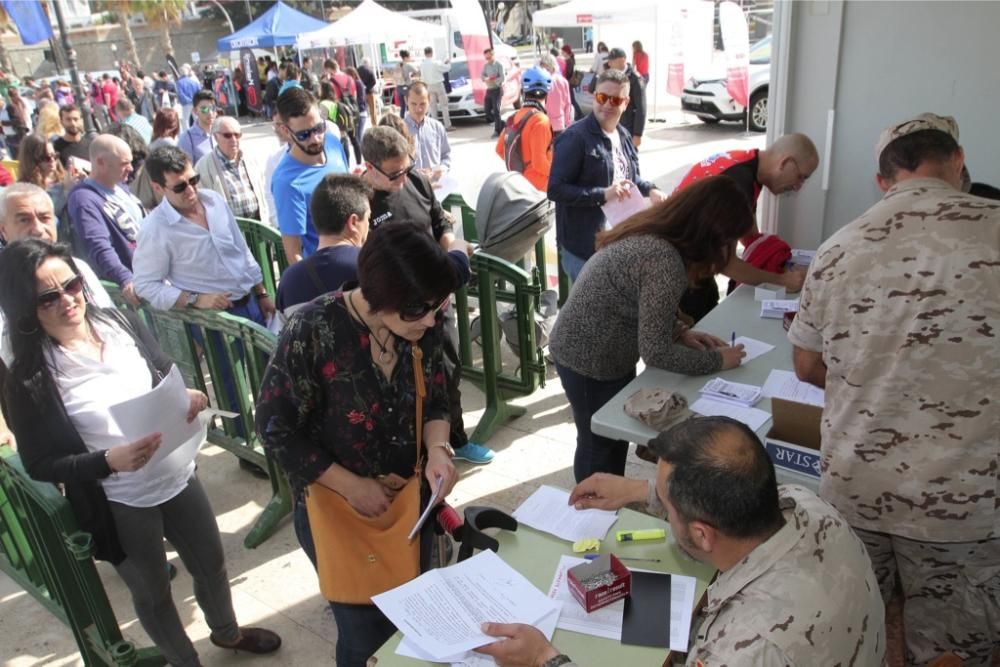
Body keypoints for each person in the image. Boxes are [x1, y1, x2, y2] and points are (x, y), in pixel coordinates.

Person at [0, 239, 283, 667]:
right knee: (153, 593)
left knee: (211, 563)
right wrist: (106, 462)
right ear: (25, 307)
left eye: (72, 284)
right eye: (48, 297)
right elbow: (39, 462)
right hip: (119, 501)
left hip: (176, 472)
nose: (68, 300)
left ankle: (227, 633)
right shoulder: (29, 377)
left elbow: (161, 364)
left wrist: (184, 393)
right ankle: (184, 661)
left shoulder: (119, 321)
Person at [788, 113, 1000, 666]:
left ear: (883, 179)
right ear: (957, 162)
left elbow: (806, 364)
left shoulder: (837, 249)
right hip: (964, 500)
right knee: (955, 648)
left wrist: (875, 381)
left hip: (857, 485)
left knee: (864, 627)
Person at [476, 416, 886, 666]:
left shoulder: (745, 648)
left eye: (668, 508)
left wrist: (543, 659)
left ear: (702, 534)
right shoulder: (806, 504)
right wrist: (639, 490)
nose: (662, 509)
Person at [256, 222, 460, 667]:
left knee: (414, 613)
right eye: (418, 309)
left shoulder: (420, 325)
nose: (430, 319)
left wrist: (438, 450)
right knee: (363, 633)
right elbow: (274, 427)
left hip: (409, 505)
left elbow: (439, 397)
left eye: (437, 306)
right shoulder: (313, 329)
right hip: (336, 512)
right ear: (379, 295)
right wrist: (350, 485)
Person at [549, 176, 751, 481]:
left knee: (610, 440)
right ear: (711, 235)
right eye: (728, 241)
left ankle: (606, 500)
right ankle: (593, 512)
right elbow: (655, 352)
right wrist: (718, 361)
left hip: (597, 350)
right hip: (589, 360)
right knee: (599, 443)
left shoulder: (660, 235)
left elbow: (636, 301)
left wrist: (679, 330)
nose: (729, 251)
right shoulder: (665, 261)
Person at [361, 126, 493, 465]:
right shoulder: (364, 204)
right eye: (394, 174)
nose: (403, 179)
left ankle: (457, 439)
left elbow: (440, 223)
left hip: (438, 301)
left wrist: (447, 258)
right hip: (398, 316)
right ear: (370, 167)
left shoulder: (417, 180)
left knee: (448, 372)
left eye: (407, 168)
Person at [672, 134, 817, 321]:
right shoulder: (738, 182)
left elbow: (749, 237)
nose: (798, 186)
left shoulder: (747, 165)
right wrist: (781, 280)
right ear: (786, 163)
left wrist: (782, 263)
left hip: (694, 262)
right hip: (675, 269)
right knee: (702, 332)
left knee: (712, 312)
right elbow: (726, 263)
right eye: (801, 177)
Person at [548, 68, 667, 281]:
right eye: (602, 97)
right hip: (585, 250)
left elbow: (630, 179)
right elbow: (555, 189)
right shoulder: (575, 137)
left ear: (626, 102)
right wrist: (603, 194)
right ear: (594, 96)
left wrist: (652, 190)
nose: (607, 105)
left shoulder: (623, 135)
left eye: (615, 100)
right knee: (590, 313)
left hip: (619, 241)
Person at [275, 174, 373, 319]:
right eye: (368, 218)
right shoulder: (373, 266)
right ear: (353, 222)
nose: (369, 226)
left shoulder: (288, 281)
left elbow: (283, 337)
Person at [270, 87, 348, 263]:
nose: (315, 139)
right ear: (285, 131)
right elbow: (294, 254)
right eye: (304, 134)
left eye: (319, 128)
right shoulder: (287, 183)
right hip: (327, 273)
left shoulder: (334, 144)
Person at [68, 135, 145, 305]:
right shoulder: (84, 199)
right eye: (124, 163)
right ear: (101, 162)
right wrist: (124, 277)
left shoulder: (121, 188)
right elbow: (99, 246)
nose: (131, 168)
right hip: (135, 290)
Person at [194, 115, 269, 223]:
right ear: (215, 137)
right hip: (229, 231)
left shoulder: (251, 159)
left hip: (258, 228)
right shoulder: (203, 166)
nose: (234, 140)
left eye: (237, 135)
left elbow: (264, 193)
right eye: (227, 135)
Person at [495, 66, 554, 192]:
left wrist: (519, 166)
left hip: (520, 185)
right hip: (540, 188)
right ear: (547, 93)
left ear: (524, 92)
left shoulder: (514, 117)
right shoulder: (540, 120)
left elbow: (500, 149)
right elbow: (539, 163)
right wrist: (560, 175)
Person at [16, 135, 81, 239]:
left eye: (54, 156)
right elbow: (46, 215)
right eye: (45, 158)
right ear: (32, 160)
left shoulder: (62, 177)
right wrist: (65, 190)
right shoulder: (26, 189)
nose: (52, 161)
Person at [404, 82, 451, 179]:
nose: (418, 109)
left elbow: (446, 155)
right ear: (406, 101)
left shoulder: (437, 127)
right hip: (411, 188)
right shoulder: (399, 130)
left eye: (422, 104)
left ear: (429, 100)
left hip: (436, 186)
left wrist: (442, 169)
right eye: (413, 104)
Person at [605, 47, 646, 146]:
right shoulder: (610, 76)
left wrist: (637, 134)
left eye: (612, 61)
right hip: (613, 127)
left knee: (628, 159)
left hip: (628, 128)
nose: (609, 64)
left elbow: (641, 107)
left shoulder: (635, 79)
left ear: (622, 60)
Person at [178, 90, 216, 165]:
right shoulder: (187, 139)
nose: (210, 112)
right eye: (204, 109)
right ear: (195, 111)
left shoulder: (222, 132)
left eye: (213, 108)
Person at [419, 46, 452, 131]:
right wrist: (448, 63)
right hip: (438, 85)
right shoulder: (435, 62)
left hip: (428, 86)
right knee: (444, 105)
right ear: (431, 53)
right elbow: (446, 68)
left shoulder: (422, 64)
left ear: (425, 53)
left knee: (432, 107)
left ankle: (435, 127)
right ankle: (447, 125)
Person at [539, 54, 572, 136]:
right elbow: (568, 104)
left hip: (545, 123)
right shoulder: (563, 81)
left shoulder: (541, 83)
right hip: (560, 123)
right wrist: (567, 123)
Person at [53, 104, 93, 168]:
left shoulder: (91, 145)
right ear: (61, 122)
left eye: (76, 119)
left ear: (81, 121)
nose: (73, 123)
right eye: (68, 120)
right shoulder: (55, 148)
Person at [481, 48, 506, 138]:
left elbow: (503, 78)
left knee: (496, 110)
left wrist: (494, 79)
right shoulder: (486, 66)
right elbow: (482, 76)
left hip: (497, 89)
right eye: (486, 58)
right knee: (487, 111)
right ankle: (502, 123)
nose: (487, 59)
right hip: (489, 90)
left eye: (489, 57)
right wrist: (485, 78)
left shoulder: (499, 65)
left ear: (493, 55)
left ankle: (497, 130)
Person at [560, 44, 582, 119]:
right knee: (572, 100)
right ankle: (579, 115)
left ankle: (580, 115)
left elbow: (568, 73)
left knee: (572, 101)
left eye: (562, 51)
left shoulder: (568, 61)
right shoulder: (570, 60)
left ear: (566, 52)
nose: (561, 53)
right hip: (569, 83)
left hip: (568, 83)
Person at [176, 64, 201, 128]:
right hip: (195, 101)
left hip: (186, 103)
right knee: (196, 117)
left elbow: (180, 93)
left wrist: (186, 101)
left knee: (185, 119)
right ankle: (198, 129)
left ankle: (187, 133)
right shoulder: (193, 81)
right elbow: (199, 90)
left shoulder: (179, 82)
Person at [396, 50, 418, 118]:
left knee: (402, 105)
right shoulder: (408, 65)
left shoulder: (397, 64)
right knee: (410, 103)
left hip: (399, 87)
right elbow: (417, 71)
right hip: (406, 86)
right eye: (409, 56)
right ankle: (411, 119)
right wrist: (411, 75)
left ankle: (402, 119)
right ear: (406, 57)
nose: (410, 58)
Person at [358, 58, 379, 128]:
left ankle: (361, 125)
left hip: (360, 93)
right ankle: (374, 124)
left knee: (361, 110)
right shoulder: (370, 71)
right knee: (373, 110)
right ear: (368, 63)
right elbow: (374, 81)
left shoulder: (357, 70)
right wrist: (367, 87)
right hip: (369, 92)